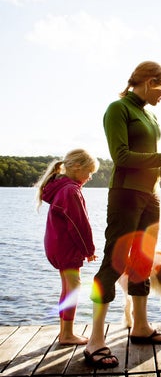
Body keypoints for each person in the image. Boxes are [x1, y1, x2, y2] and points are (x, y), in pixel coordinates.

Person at [84, 61, 161, 368]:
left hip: (151, 197)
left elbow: (148, 162)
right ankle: (95, 341)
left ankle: (141, 327)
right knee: (115, 261)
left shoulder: (150, 114)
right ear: (147, 81)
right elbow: (121, 157)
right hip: (126, 195)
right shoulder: (118, 109)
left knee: (143, 261)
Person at [35, 148, 99, 345]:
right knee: (73, 288)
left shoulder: (61, 187)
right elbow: (79, 224)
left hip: (56, 244)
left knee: (68, 287)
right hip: (66, 246)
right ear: (77, 167)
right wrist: (89, 250)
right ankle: (67, 335)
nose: (90, 177)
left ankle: (65, 332)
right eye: (89, 172)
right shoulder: (70, 190)